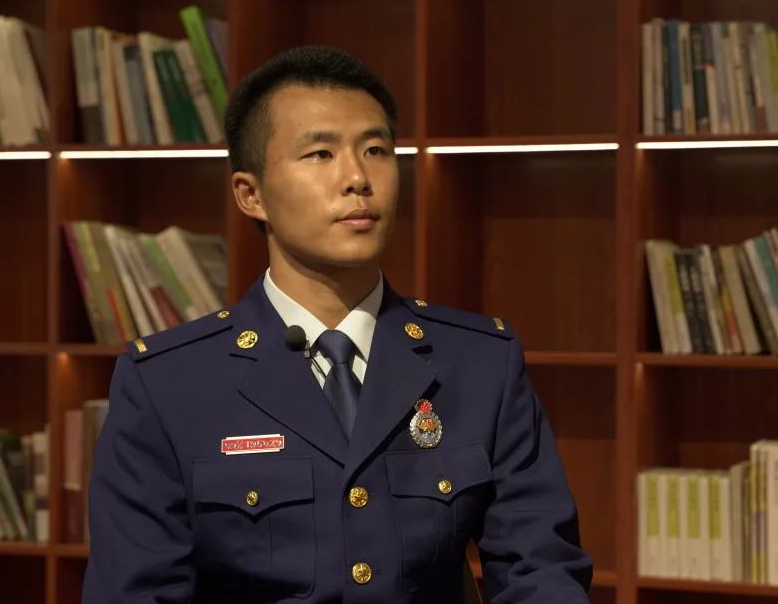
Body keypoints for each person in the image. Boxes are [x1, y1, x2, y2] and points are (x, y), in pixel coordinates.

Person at [82, 45, 592, 603]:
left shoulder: (481, 363)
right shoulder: (167, 383)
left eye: (376, 150)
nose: (357, 177)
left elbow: (542, 568)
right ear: (251, 195)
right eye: (320, 153)